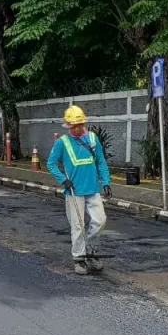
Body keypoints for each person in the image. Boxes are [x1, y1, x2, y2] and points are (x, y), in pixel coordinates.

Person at [46, 105, 112, 275]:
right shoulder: (62, 142)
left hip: (92, 189)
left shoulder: (92, 138)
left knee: (100, 220)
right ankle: (79, 258)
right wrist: (63, 180)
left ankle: (89, 249)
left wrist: (106, 182)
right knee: (78, 226)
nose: (77, 129)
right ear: (68, 126)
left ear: (83, 123)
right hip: (74, 191)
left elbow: (101, 162)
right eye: (73, 126)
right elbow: (51, 163)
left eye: (79, 125)